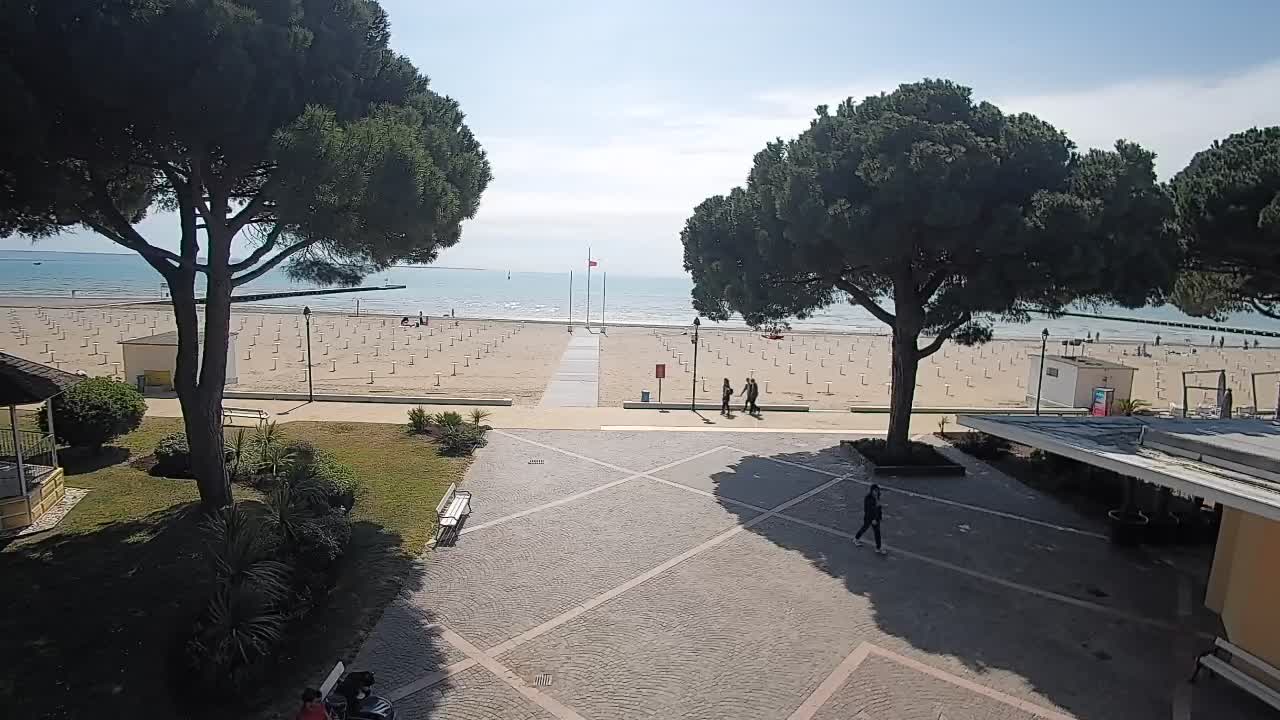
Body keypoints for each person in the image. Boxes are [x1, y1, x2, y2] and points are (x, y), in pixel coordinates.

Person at [854, 484, 886, 554]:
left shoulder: (877, 496)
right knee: (864, 528)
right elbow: (868, 511)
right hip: (870, 518)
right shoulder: (868, 499)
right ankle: (856, 538)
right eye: (875, 491)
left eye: (877, 491)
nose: (876, 492)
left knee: (877, 533)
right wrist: (873, 520)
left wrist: (879, 517)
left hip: (876, 518)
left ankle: (878, 547)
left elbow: (878, 508)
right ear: (871, 491)